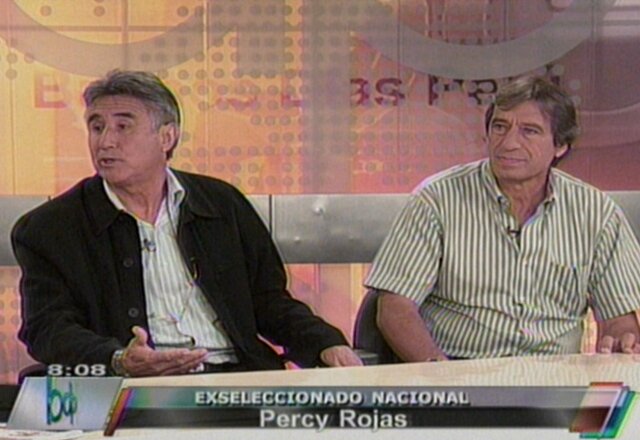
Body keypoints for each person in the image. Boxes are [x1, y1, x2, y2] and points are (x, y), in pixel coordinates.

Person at [12, 70, 362, 377]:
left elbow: (269, 302)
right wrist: (118, 360)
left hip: (236, 377)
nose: (106, 141)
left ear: (167, 137)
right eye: (96, 126)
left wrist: (324, 343)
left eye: (123, 126)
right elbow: (47, 328)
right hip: (136, 389)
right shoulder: (50, 229)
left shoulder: (221, 204)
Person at [365, 76, 640, 361]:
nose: (508, 143)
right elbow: (395, 308)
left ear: (560, 145)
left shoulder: (595, 212)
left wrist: (621, 342)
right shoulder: (437, 199)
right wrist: (440, 376)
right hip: (458, 369)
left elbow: (619, 317)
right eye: (500, 127)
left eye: (529, 131)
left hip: (556, 376)